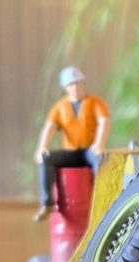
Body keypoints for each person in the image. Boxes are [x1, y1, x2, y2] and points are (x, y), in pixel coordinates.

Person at [32, 66, 110, 221]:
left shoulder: (95, 102)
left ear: (83, 83)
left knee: (101, 162)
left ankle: (102, 204)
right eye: (71, 85)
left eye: (78, 83)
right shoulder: (60, 107)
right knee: (46, 158)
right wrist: (42, 147)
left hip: (90, 150)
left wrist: (99, 143)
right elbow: (49, 127)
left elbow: (104, 121)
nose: (75, 87)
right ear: (65, 88)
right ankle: (47, 203)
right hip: (71, 152)